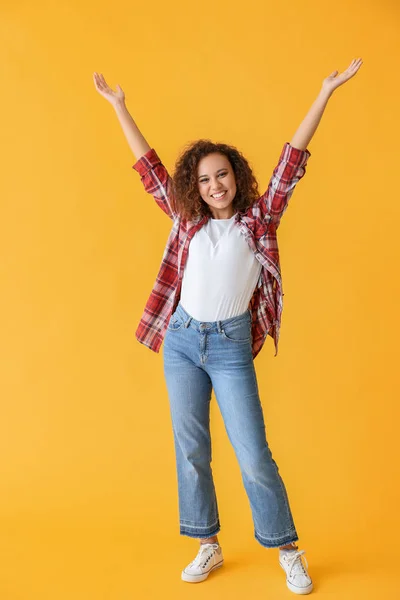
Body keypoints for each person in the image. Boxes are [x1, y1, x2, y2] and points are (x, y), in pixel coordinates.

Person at [93, 58, 362, 595]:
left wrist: (324, 92)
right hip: (182, 341)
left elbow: (292, 160)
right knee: (191, 448)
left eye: (223, 175)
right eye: (205, 179)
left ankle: (287, 548)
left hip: (230, 345)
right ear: (195, 186)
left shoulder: (259, 221)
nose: (215, 185)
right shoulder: (186, 221)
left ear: (237, 176)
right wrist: (120, 107)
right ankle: (207, 543)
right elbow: (147, 167)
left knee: (252, 451)